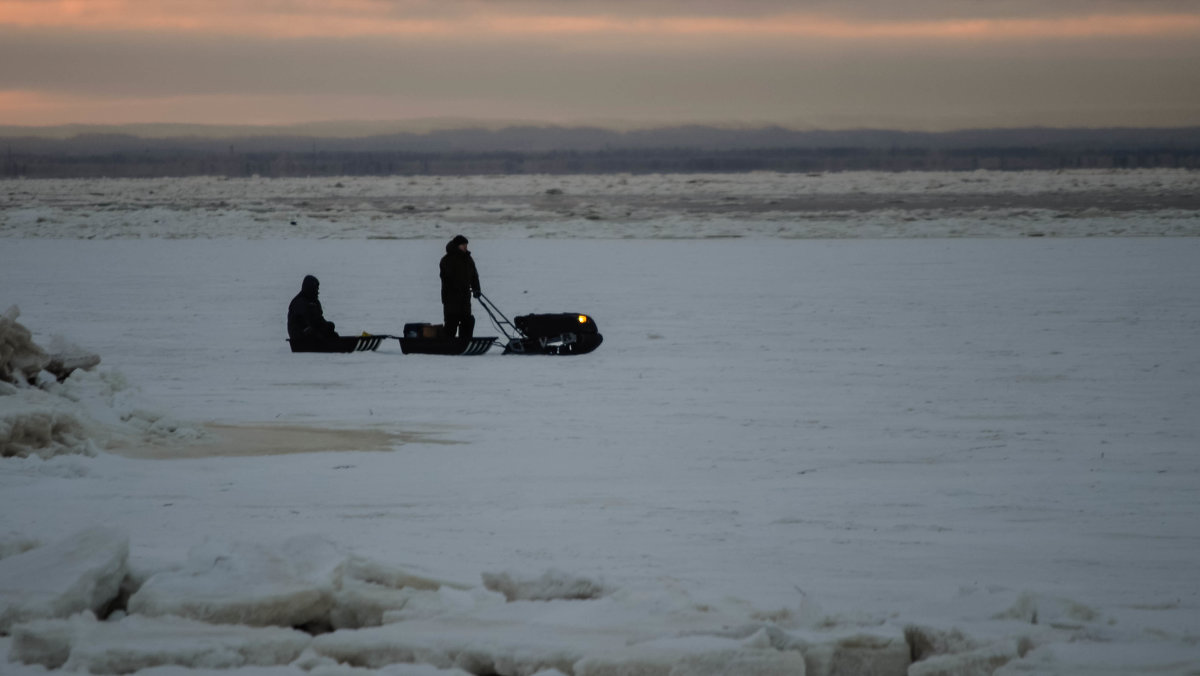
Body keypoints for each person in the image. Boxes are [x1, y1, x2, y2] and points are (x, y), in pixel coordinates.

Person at [439, 234, 481, 339]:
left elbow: (474, 275)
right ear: (457, 246)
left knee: (468, 320)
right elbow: (448, 277)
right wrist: (457, 288)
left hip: (465, 297)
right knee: (451, 322)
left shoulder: (468, 259)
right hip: (451, 298)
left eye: (466, 245)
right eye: (463, 245)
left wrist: (476, 289)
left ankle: (465, 341)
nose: (465, 247)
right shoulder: (447, 260)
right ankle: (448, 344)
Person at [287, 275, 339, 351]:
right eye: (316, 288)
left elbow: (319, 320)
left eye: (318, 288)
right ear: (310, 288)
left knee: (330, 326)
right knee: (313, 333)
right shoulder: (299, 302)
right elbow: (299, 320)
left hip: (313, 332)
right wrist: (312, 332)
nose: (317, 291)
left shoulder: (315, 302)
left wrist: (328, 329)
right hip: (300, 336)